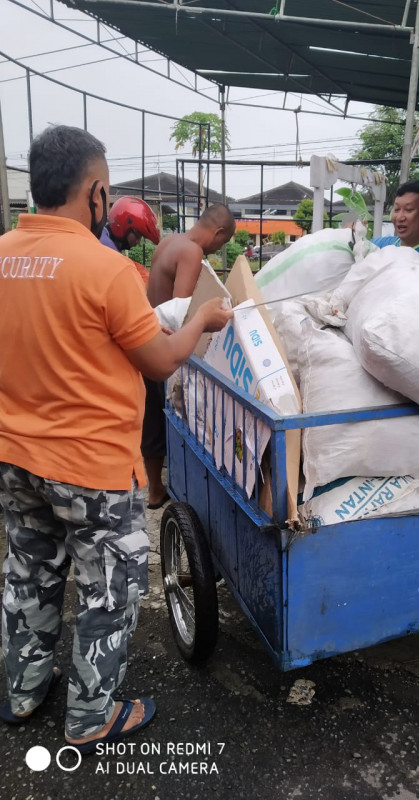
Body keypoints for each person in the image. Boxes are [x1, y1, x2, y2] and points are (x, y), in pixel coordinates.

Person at [0, 125, 233, 754]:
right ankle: (90, 716)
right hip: (92, 467)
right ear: (96, 192)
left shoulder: (1, 254)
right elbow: (159, 361)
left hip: (16, 456)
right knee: (107, 590)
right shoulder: (105, 269)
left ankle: (21, 693)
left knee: (29, 573)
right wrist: (204, 319)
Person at [143, 204, 236, 508]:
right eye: (221, 244)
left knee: (152, 421)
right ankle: (182, 488)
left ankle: (155, 490)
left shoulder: (169, 242)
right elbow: (182, 310)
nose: (215, 250)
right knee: (175, 417)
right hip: (167, 344)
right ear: (218, 232)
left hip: (148, 337)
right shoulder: (192, 253)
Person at [100, 195, 161, 286]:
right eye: (138, 236)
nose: (138, 241)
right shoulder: (107, 249)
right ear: (124, 226)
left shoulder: (101, 234)